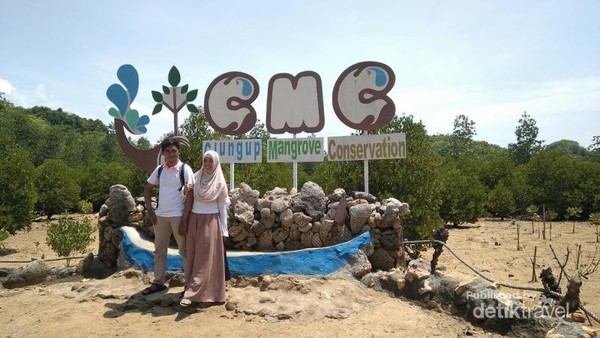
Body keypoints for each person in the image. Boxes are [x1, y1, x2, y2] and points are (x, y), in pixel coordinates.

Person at [141, 137, 195, 295]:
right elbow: (147, 188)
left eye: (174, 151)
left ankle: (190, 284)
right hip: (160, 217)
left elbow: (190, 194)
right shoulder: (160, 170)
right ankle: (158, 282)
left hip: (178, 216)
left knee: (184, 251)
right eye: (168, 151)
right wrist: (150, 210)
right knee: (159, 251)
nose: (172, 154)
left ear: (178, 152)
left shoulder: (185, 169)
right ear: (163, 153)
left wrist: (184, 221)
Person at [178, 150, 229, 308]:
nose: (207, 164)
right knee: (193, 257)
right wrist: (184, 190)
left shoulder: (220, 182)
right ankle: (195, 289)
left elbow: (222, 207)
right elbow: (186, 197)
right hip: (194, 220)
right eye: (205, 161)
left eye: (210, 161)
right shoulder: (196, 176)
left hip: (210, 221)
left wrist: (224, 230)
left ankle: (192, 294)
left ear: (216, 163)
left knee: (204, 259)